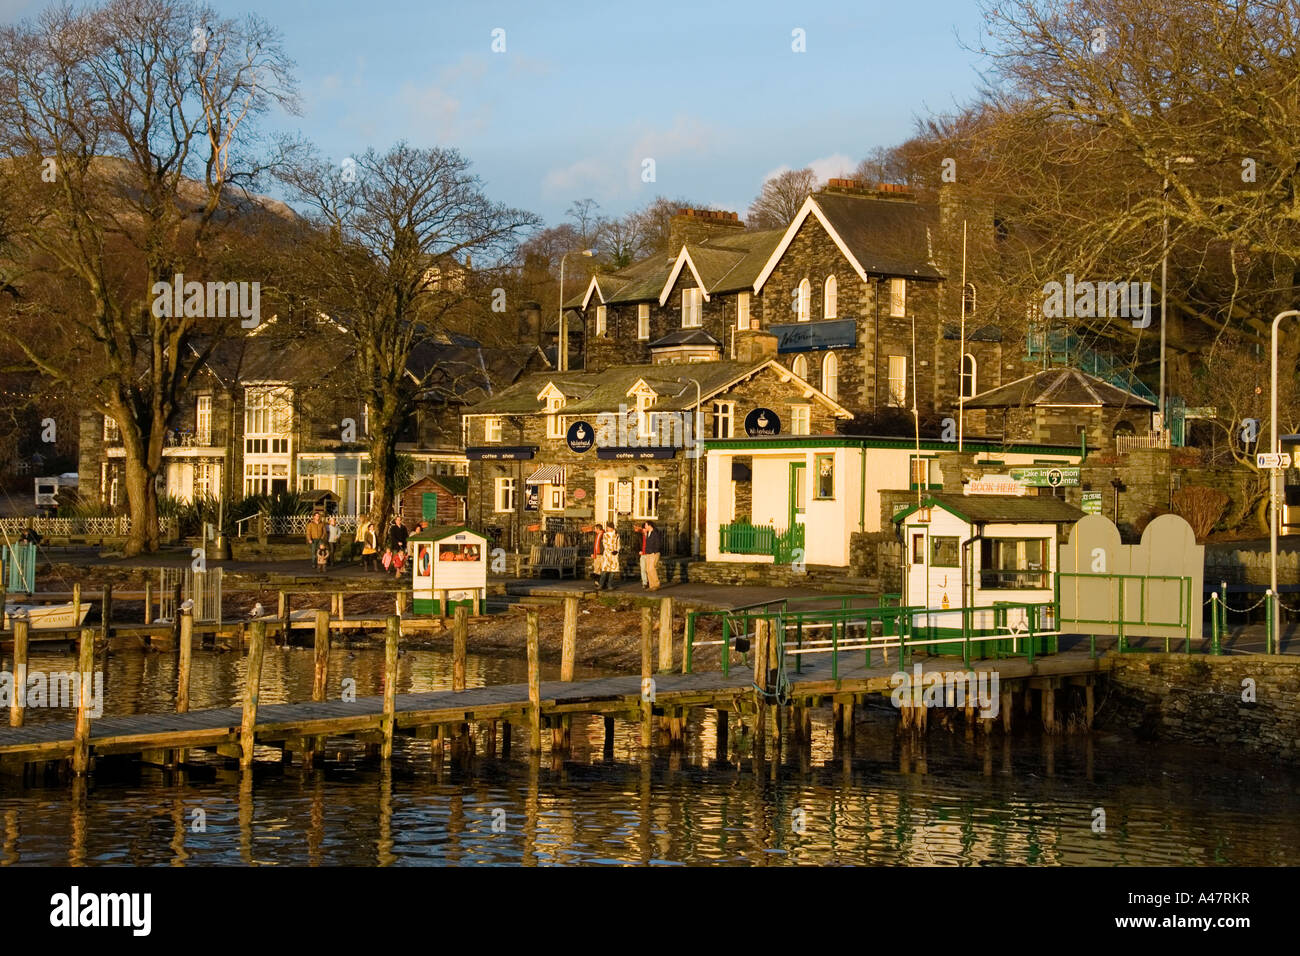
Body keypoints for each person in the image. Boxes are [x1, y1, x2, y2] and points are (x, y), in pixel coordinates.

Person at [598, 524, 621, 591]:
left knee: (613, 570)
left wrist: (617, 550)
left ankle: (610, 585)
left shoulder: (617, 535)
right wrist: (610, 550)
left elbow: (618, 544)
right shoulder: (605, 535)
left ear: (611, 528)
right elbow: (605, 544)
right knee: (604, 570)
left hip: (614, 555)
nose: (607, 528)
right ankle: (601, 584)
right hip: (607, 554)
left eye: (608, 527)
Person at [643, 520, 662, 591]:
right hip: (648, 553)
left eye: (646, 525)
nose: (645, 527)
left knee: (652, 568)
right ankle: (651, 585)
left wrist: (655, 551)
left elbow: (658, 542)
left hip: (654, 553)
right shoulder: (648, 533)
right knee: (648, 569)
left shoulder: (655, 533)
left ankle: (656, 584)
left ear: (649, 525)